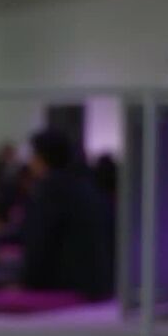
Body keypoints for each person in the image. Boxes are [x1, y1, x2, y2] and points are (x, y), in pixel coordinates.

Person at [21, 128, 111, 299]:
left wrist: (26, 285)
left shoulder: (51, 190)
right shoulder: (87, 186)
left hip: (63, 289)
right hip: (97, 285)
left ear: (41, 158)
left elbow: (41, 243)